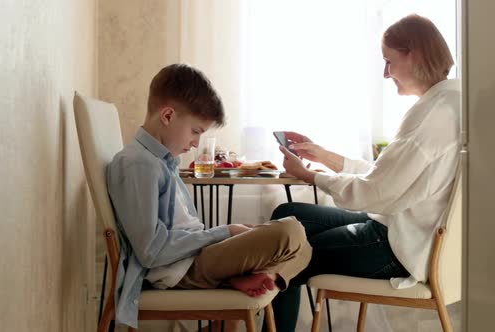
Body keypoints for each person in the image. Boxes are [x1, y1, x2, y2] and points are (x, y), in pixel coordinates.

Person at [270, 14, 460, 331]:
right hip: (397, 228)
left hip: (396, 247)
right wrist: (323, 156)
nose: (386, 74)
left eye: (389, 61)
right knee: (288, 214)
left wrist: (309, 176)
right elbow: (385, 177)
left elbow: (374, 192)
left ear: (415, 54)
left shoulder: (434, 114)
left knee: (280, 253)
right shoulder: (447, 102)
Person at [106, 64, 312, 330]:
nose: (195, 142)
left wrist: (223, 235)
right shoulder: (138, 164)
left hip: (196, 256)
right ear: (168, 115)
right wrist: (224, 232)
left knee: (304, 244)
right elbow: (150, 252)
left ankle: (246, 276)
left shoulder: (162, 162)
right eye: (196, 131)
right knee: (291, 230)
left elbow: (183, 231)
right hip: (179, 267)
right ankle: (241, 276)